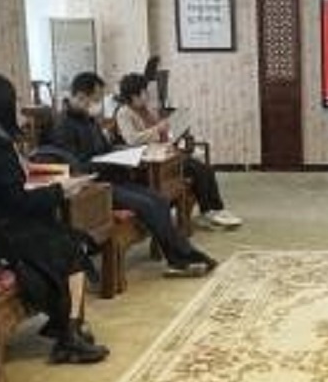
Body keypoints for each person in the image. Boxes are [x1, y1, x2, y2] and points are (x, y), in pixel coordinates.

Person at [0, 73, 109, 365]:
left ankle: (66, 325)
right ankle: (69, 335)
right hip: (3, 233)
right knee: (72, 247)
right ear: (1, 104)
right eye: (14, 101)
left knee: (69, 238)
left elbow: (8, 192)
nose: (18, 107)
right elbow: (18, 201)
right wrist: (61, 191)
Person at [49, 72, 217, 277]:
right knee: (148, 205)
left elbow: (106, 149)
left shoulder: (89, 120)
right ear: (81, 96)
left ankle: (180, 257)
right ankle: (182, 258)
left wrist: (124, 155)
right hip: (95, 189)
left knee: (159, 200)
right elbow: (75, 168)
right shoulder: (63, 126)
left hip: (112, 177)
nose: (99, 105)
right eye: (96, 99)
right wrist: (106, 161)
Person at [113, 72, 241, 229]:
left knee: (206, 169)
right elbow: (132, 139)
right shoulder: (124, 113)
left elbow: (161, 130)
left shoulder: (145, 110)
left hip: (164, 153)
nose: (147, 95)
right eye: (144, 92)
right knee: (198, 170)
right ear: (133, 95)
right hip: (150, 160)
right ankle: (209, 211)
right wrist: (157, 129)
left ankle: (215, 209)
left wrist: (170, 128)